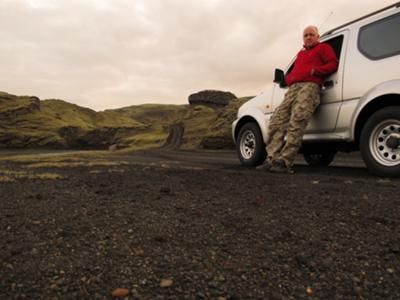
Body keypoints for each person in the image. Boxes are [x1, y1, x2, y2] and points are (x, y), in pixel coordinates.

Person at [259, 25, 338, 173]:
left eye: (311, 34)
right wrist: (287, 79)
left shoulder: (323, 48)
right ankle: (271, 159)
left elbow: (333, 64)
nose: (308, 37)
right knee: (277, 120)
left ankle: (285, 161)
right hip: (292, 88)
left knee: (297, 121)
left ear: (318, 36)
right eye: (305, 35)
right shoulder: (301, 54)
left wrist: (316, 71)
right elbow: (295, 71)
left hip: (310, 86)